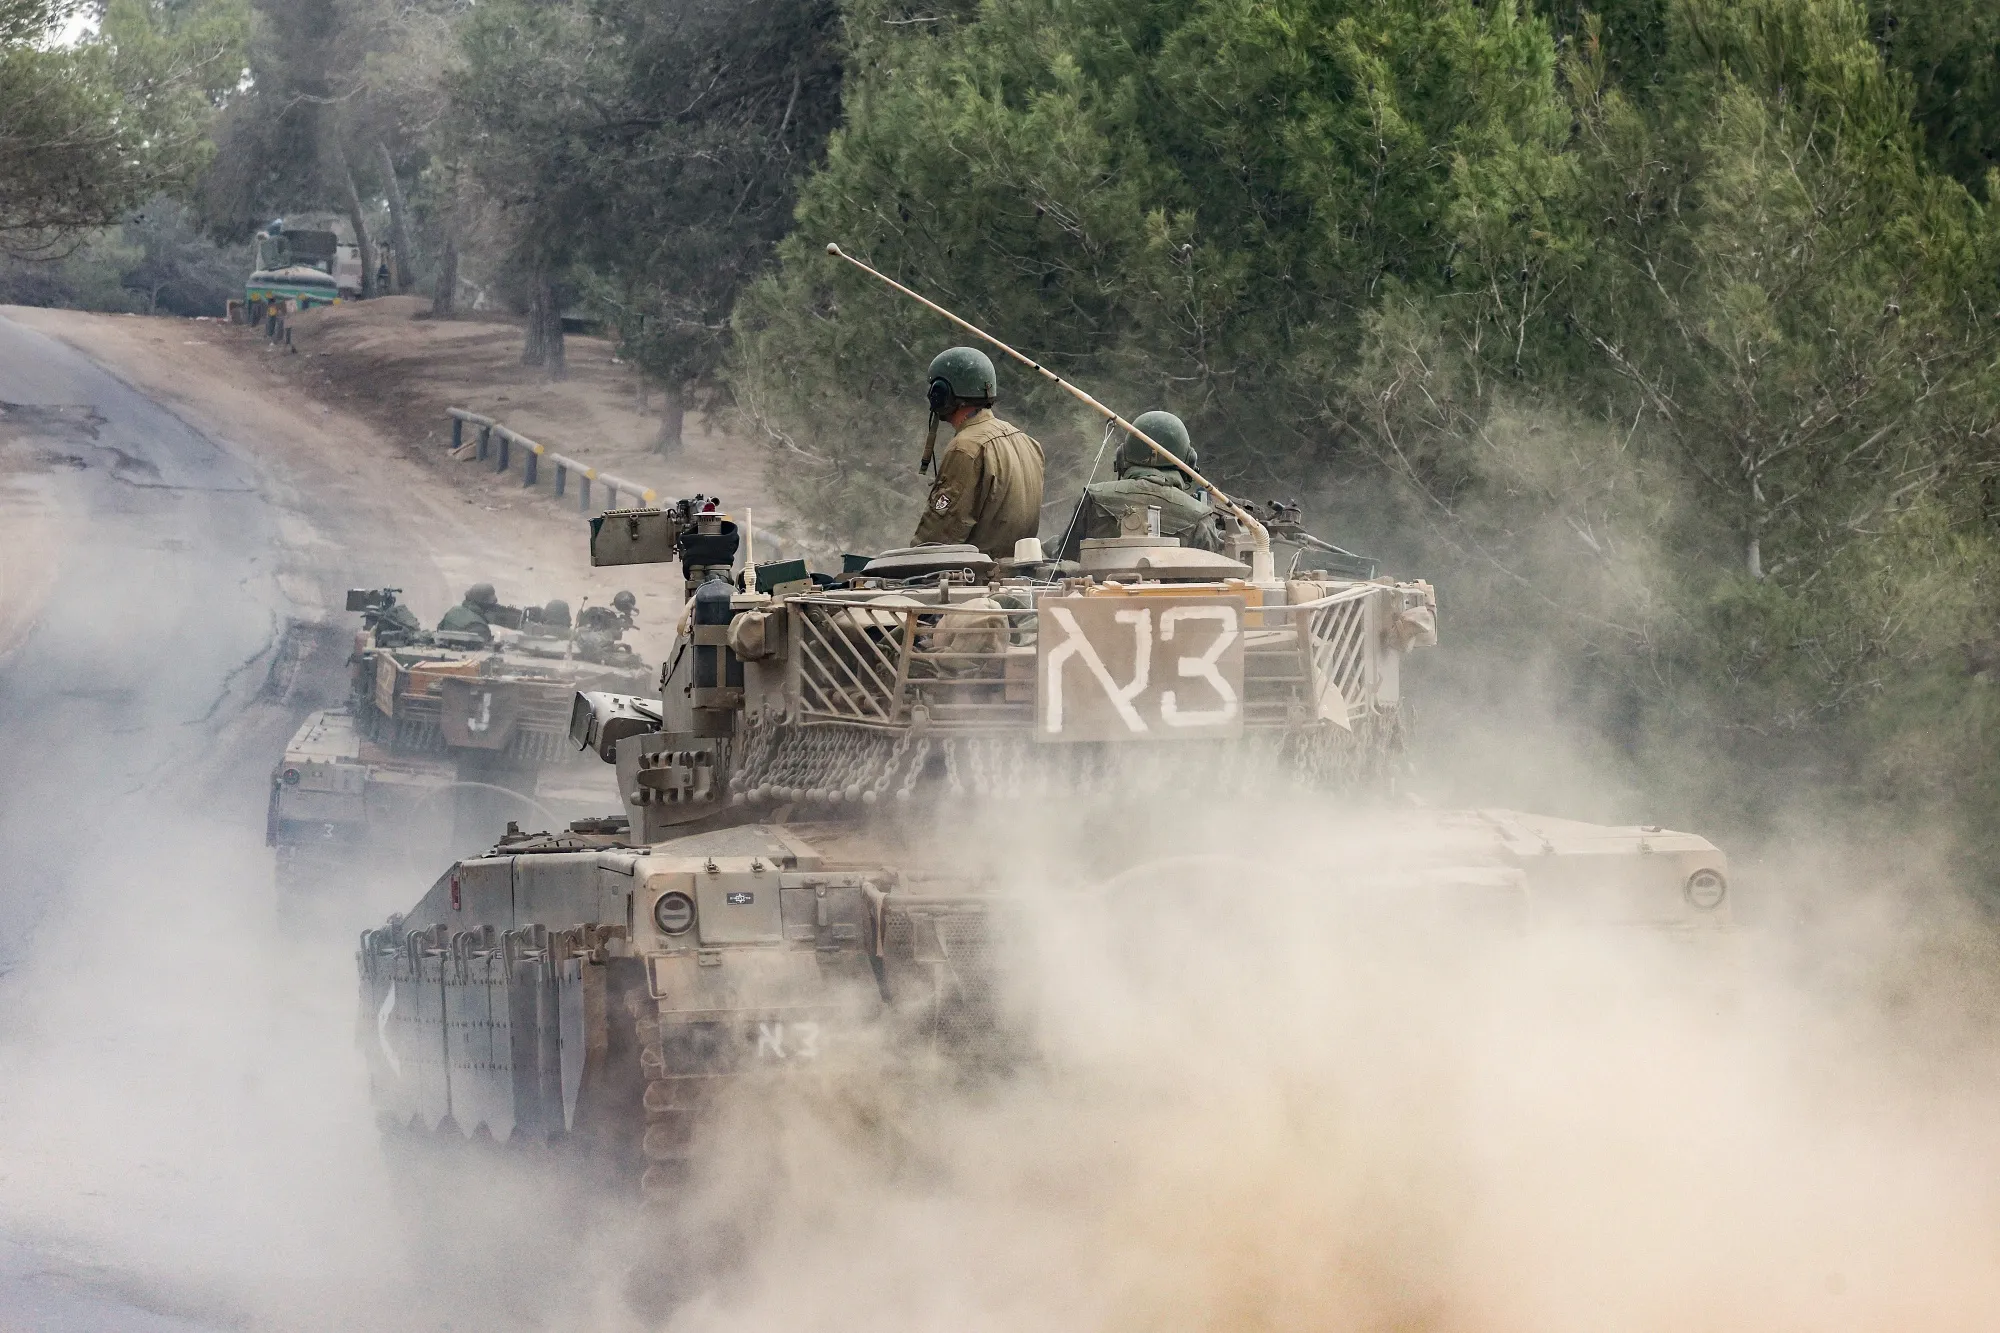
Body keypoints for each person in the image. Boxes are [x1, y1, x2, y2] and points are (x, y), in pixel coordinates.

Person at [910, 347, 1045, 561]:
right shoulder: (1027, 442)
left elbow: (937, 540)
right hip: (1018, 576)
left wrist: (906, 565)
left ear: (942, 394)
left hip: (974, 580)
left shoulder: (966, 448)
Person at [1057, 410, 1222, 559]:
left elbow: (1066, 558)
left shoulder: (1093, 499)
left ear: (1122, 457)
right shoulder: (1200, 516)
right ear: (1190, 462)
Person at [436, 583, 504, 640]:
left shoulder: (453, 611)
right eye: (492, 606)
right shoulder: (481, 626)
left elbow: (439, 630)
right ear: (485, 605)